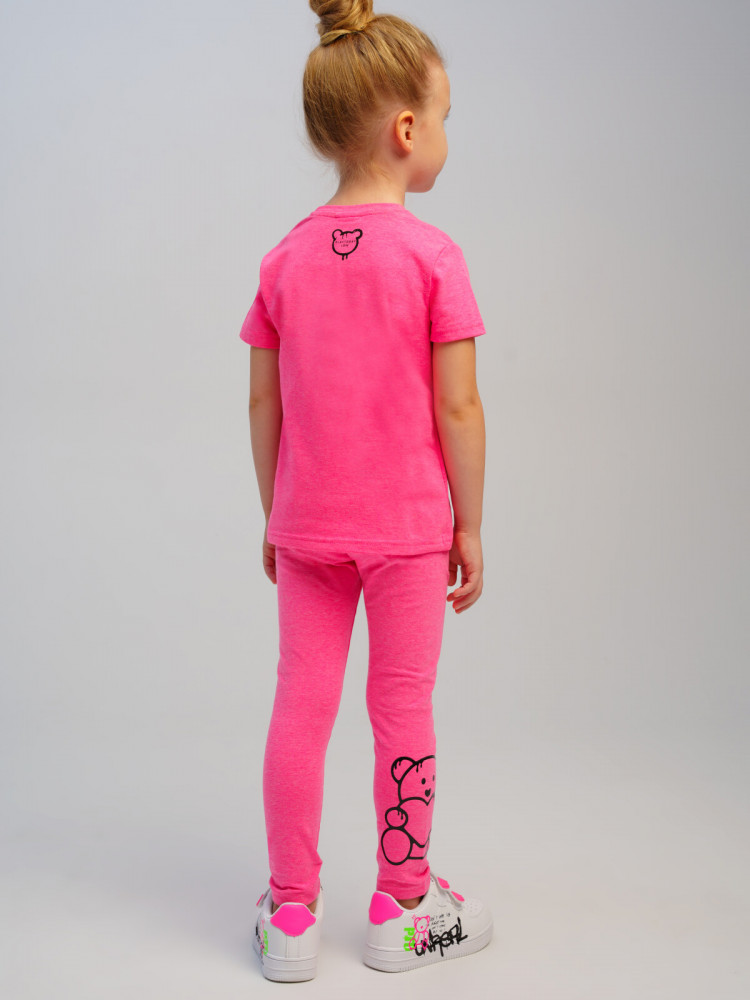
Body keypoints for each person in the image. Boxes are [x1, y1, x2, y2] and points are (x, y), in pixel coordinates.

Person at [242, 0, 492, 982]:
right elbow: (459, 406)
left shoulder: (284, 258)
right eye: (445, 116)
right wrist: (469, 523)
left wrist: (275, 512)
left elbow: (263, 401)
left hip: (307, 525)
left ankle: (290, 915)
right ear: (407, 129)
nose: (446, 134)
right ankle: (405, 903)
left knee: (299, 707)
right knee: (402, 706)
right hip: (409, 531)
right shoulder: (434, 258)